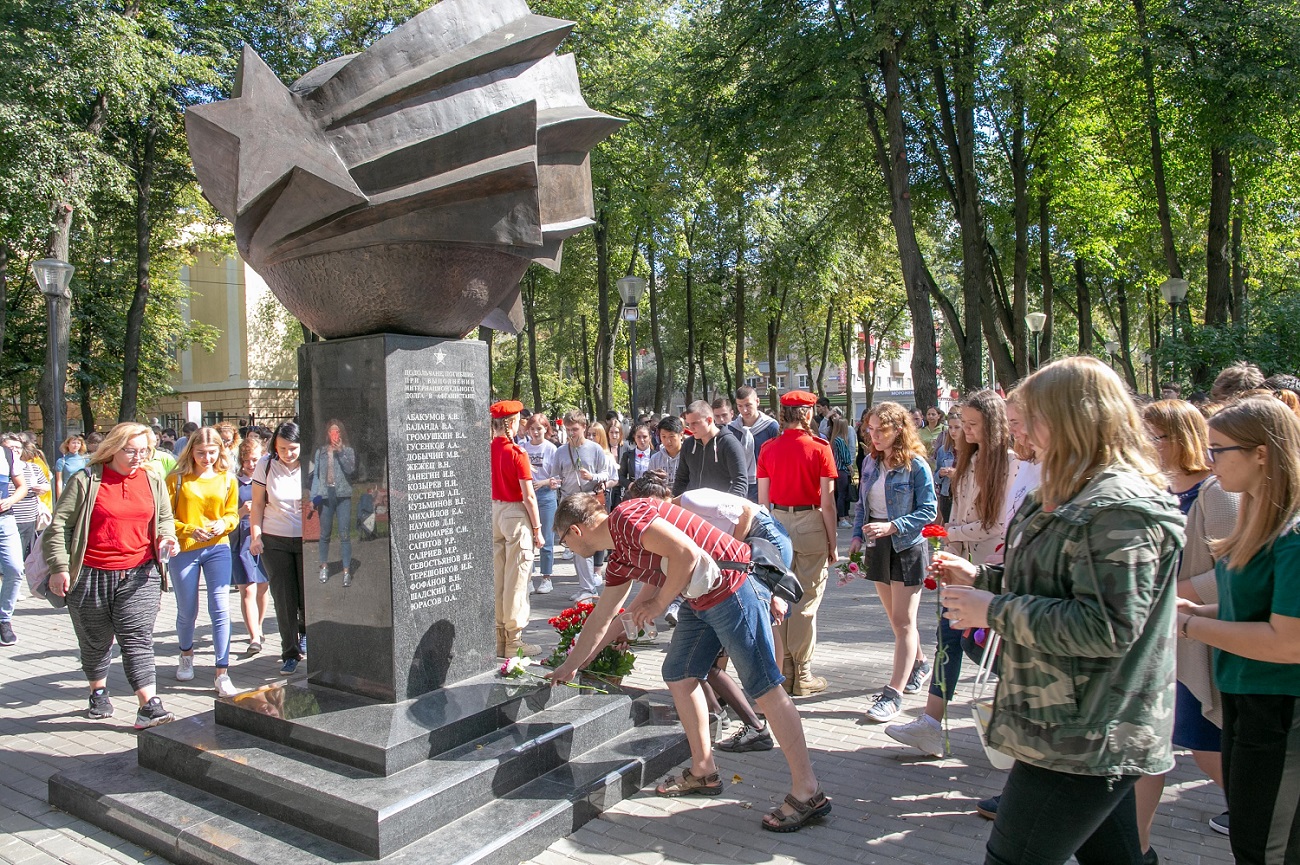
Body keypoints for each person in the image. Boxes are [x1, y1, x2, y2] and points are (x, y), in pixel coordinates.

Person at [934, 356, 1184, 865]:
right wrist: (981, 579)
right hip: (1069, 725)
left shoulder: (1119, 507)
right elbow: (1054, 581)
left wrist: (994, 610)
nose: (1017, 429)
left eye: (1029, 417)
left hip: (1088, 731)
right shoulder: (1065, 489)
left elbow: (1109, 627)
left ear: (1073, 417)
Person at [547, 492, 830, 833]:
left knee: (765, 689)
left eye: (563, 542)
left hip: (733, 587)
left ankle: (808, 791)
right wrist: (572, 664)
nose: (567, 549)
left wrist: (659, 603)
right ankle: (704, 770)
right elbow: (603, 617)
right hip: (702, 597)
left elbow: (686, 553)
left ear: (576, 531)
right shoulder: (621, 556)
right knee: (679, 673)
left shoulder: (626, 518)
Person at [1176, 396, 1300, 865]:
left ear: (1261, 453)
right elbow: (1248, 611)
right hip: (1248, 702)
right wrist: (1196, 611)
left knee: (1260, 847)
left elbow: (1287, 643)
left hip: (1281, 709)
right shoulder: (1259, 524)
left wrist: (1188, 624)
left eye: (1219, 450)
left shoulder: (1293, 536)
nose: (1210, 463)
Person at [1134, 399, 1239, 852]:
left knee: (1205, 747)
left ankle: (1270, 815)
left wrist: (1171, 595)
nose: (1145, 445)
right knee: (1150, 748)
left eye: (1153, 436)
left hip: (1197, 638)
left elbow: (1236, 573)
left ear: (1179, 439)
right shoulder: (1156, 488)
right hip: (1165, 639)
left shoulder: (1217, 492)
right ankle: (1133, 846)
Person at [43, 422, 181, 728]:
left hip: (140, 573)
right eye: (130, 450)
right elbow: (59, 526)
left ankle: (149, 705)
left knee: (137, 639)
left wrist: (166, 537)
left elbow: (165, 518)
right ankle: (98, 691)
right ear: (113, 448)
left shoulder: (152, 478)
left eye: (144, 450)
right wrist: (60, 568)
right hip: (91, 573)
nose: (138, 456)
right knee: (95, 642)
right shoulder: (86, 480)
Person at [849, 402, 938, 723]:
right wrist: (858, 536)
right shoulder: (871, 463)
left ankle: (893, 694)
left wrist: (892, 526)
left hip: (906, 546)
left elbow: (929, 512)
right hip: (878, 546)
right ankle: (921, 664)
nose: (873, 436)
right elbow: (861, 506)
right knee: (897, 622)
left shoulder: (917, 466)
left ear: (899, 429)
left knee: (903, 623)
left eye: (880, 430)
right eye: (869, 430)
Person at [757, 390, 839, 696]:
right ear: (808, 414)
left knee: (780, 596)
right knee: (805, 601)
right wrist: (832, 542)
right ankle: (802, 675)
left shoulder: (768, 448)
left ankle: (786, 668)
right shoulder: (820, 448)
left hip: (776, 524)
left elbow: (763, 501)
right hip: (810, 524)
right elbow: (828, 504)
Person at [167, 427, 240, 696]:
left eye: (212, 452)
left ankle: (222, 672)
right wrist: (188, 529)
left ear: (220, 451)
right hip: (185, 548)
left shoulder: (227, 479)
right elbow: (165, 517)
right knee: (187, 609)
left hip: (217, 547)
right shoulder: (176, 479)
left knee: (220, 607)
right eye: (201, 453)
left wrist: (223, 523)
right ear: (191, 451)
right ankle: (186, 654)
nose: (207, 458)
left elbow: (233, 515)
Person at [249, 422, 307, 675]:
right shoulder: (266, 465)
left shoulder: (312, 464)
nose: (288, 453)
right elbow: (258, 505)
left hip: (308, 540)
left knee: (308, 598)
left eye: (293, 448)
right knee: (284, 599)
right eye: (282, 448)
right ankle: (290, 652)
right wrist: (256, 536)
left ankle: (305, 634)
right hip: (275, 539)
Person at [490, 400, 543, 657]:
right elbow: (529, 497)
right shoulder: (517, 453)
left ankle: (499, 637)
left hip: (494, 511)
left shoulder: (488, 449)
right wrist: (537, 528)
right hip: (515, 514)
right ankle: (514, 640)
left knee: (498, 578)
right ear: (511, 423)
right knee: (517, 580)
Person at [545, 410, 612, 602]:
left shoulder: (595, 449)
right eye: (568, 429)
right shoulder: (560, 451)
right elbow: (556, 475)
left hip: (588, 502)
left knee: (586, 543)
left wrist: (593, 477)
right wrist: (554, 482)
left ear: (584, 427)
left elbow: (606, 474)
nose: (571, 433)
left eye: (574, 429)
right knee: (575, 546)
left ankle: (589, 587)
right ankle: (586, 586)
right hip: (568, 501)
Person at [231, 437, 270, 653]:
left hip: (264, 538)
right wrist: (242, 512)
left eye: (255, 459)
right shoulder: (234, 484)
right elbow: (225, 519)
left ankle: (259, 625)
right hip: (242, 541)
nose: (251, 464)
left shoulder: (267, 480)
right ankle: (254, 636)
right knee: (248, 590)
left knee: (263, 587)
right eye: (246, 461)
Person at [311, 419, 356, 586]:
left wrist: (341, 452)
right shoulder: (321, 452)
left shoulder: (348, 451)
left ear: (341, 434)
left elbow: (351, 469)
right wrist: (313, 498)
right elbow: (316, 476)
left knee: (344, 534)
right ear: (327, 434)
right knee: (325, 534)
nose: (334, 435)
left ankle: (346, 570)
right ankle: (324, 566)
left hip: (343, 495)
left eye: (337, 432)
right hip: (325, 496)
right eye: (331, 432)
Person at [674, 400, 747, 498]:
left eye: (695, 423)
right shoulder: (688, 444)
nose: (690, 428)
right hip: (691, 509)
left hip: (720, 509)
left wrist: (725, 509)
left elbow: (740, 484)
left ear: (709, 420)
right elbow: (681, 479)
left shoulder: (729, 444)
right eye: (689, 423)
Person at [521, 412, 558, 595]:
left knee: (546, 538)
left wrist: (543, 482)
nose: (536, 432)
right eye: (533, 429)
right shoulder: (523, 448)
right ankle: (528, 577)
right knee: (526, 538)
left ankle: (546, 577)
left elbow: (557, 476)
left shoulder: (551, 448)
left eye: (539, 429)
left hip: (545, 495)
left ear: (546, 429)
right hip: (527, 495)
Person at [5, 435, 50, 558]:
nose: (15, 450)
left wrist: (42, 488)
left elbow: (47, 485)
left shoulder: (32, 467)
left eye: (18, 447)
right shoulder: (3, 468)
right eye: (10, 447)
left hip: (27, 517)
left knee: (22, 554)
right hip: (5, 517)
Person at [734, 386, 781, 501]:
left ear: (757, 402)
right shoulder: (732, 429)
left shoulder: (771, 427)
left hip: (765, 485)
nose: (744, 410)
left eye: (748, 405)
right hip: (739, 485)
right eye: (740, 406)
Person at [933, 411, 961, 523]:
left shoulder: (971, 450)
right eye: (950, 427)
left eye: (957, 427)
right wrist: (940, 474)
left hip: (962, 495)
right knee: (948, 526)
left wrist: (957, 474)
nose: (953, 431)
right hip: (946, 494)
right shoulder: (943, 450)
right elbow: (935, 477)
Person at [830, 415, 854, 525]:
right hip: (842, 471)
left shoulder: (833, 440)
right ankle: (842, 518)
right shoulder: (840, 440)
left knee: (838, 494)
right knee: (842, 495)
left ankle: (840, 517)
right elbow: (846, 458)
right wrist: (851, 469)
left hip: (835, 470)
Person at [647, 415, 684, 481]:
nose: (667, 441)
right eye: (663, 436)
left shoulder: (689, 457)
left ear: (681, 435)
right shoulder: (655, 459)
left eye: (671, 436)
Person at [54, 434, 89, 499]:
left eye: (78, 443)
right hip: (68, 493)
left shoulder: (85, 460)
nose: (76, 445)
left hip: (82, 492)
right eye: (73, 443)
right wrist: (59, 499)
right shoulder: (61, 461)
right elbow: (59, 481)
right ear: (67, 444)